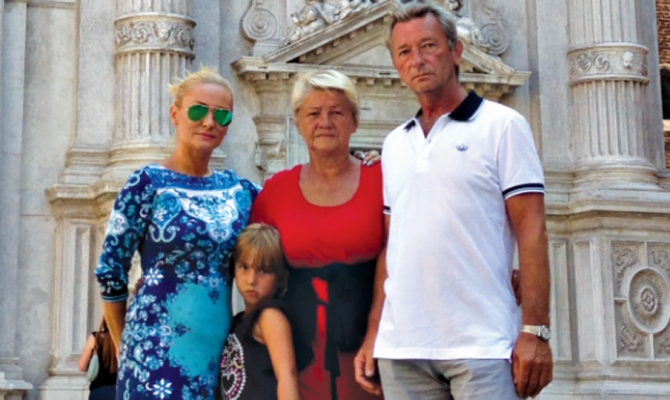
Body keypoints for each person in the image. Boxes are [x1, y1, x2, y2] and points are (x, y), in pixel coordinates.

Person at [355, 1, 554, 399]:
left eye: (428, 46)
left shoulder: (503, 126)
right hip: (403, 349)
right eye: (404, 52)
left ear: (456, 50)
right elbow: (393, 246)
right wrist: (375, 332)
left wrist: (535, 331)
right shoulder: (395, 144)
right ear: (396, 65)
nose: (417, 60)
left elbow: (532, 230)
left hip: (483, 344)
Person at [94, 67, 260, 400]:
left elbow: (293, 205)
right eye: (198, 110)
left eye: (222, 115)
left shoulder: (239, 192)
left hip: (217, 354)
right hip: (151, 354)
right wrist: (125, 347)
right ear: (175, 114)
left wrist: (363, 165)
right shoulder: (146, 184)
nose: (209, 122)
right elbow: (110, 272)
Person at [251, 69, 384, 400]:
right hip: (297, 354)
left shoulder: (383, 180)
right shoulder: (275, 191)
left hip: (373, 347)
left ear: (355, 122)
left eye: (336, 112)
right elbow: (256, 270)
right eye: (313, 113)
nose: (325, 122)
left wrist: (376, 334)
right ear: (298, 124)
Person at [219, 223, 300, 400]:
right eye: (244, 267)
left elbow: (287, 375)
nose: (251, 280)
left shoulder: (269, 316)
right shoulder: (237, 320)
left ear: (281, 278)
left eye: (263, 270)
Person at [78, 318, 118, 400]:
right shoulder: (125, 339)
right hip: (120, 390)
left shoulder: (95, 338)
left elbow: (82, 367)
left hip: (98, 391)